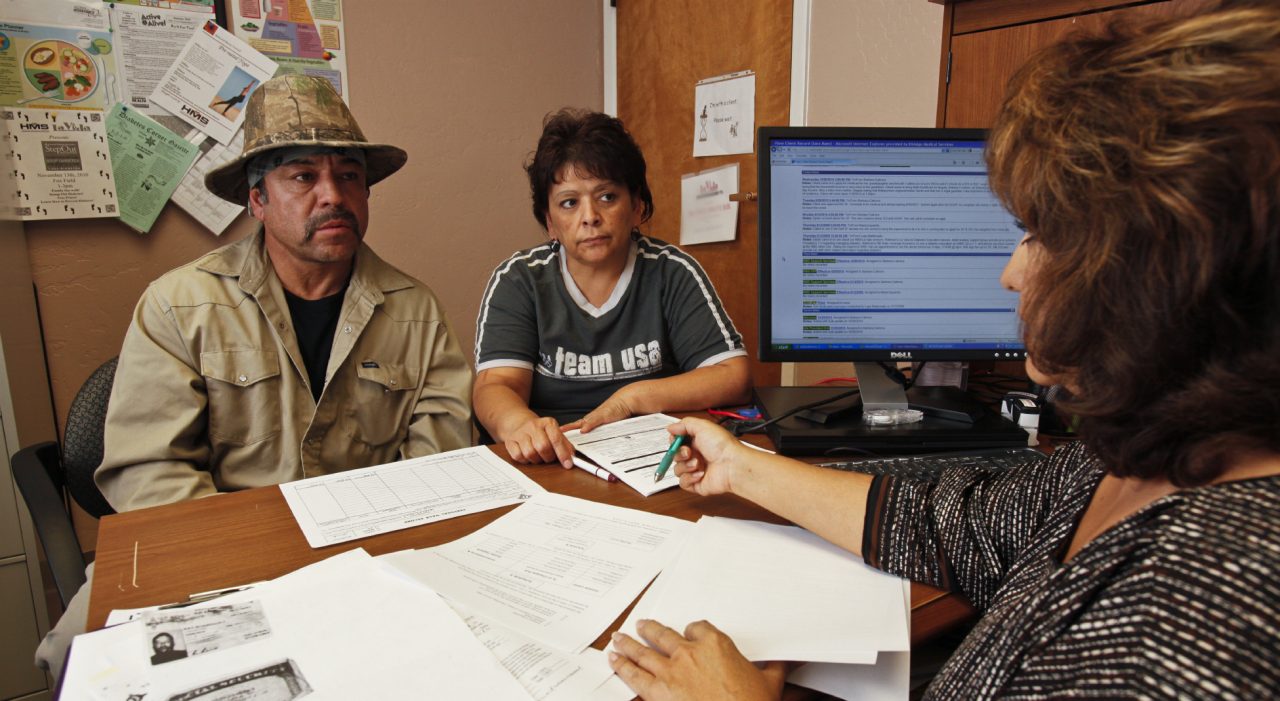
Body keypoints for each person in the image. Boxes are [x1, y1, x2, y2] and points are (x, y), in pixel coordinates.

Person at [608, 3, 1280, 699]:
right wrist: (740, 468)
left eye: (1038, 233)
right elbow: (959, 526)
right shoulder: (1124, 455)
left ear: (1156, 272)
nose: (1011, 273)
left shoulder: (1220, 609)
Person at [35, 73, 472, 678]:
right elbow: (148, 473)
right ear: (257, 199)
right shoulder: (178, 305)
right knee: (79, 660)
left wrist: (358, 571)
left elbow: (440, 469)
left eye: (349, 176)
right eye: (303, 176)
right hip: (207, 553)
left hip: (363, 557)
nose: (333, 196)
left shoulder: (415, 309)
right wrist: (261, 571)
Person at [473, 109, 750, 468]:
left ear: (637, 206)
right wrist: (519, 425)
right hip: (552, 460)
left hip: (652, 459)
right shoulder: (518, 280)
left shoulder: (671, 272)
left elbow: (733, 376)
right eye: (569, 203)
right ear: (549, 222)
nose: (590, 216)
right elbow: (496, 387)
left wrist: (630, 398)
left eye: (606, 197)